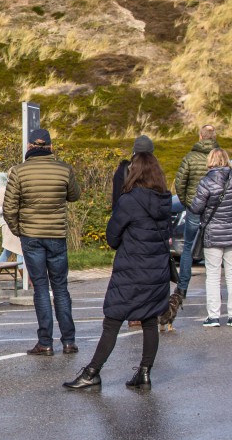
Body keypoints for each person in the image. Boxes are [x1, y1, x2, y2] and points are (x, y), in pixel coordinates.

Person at [64, 153, 171, 391]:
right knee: (150, 321)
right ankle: (144, 373)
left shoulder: (130, 200)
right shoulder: (164, 200)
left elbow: (112, 237)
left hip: (132, 269)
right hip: (157, 270)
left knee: (112, 321)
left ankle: (92, 372)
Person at [4, 128, 82, 356]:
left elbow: (9, 208)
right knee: (61, 287)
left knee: (40, 288)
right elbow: (74, 195)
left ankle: (45, 342)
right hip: (56, 235)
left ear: (29, 146)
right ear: (50, 147)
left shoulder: (18, 172)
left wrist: (19, 229)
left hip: (31, 236)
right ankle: (69, 341)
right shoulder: (64, 169)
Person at [188, 149, 232, 327]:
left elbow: (196, 208)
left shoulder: (206, 181)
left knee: (213, 275)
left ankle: (213, 316)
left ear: (211, 160)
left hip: (213, 233)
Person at [172, 125, 217, 305]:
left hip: (193, 208)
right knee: (213, 249)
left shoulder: (190, 158)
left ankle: (182, 287)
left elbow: (179, 182)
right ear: (214, 137)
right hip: (214, 210)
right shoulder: (218, 157)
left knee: (188, 249)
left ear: (200, 136)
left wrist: (186, 202)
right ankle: (214, 289)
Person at [0, 171, 23, 276]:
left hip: (19, 223)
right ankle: (26, 279)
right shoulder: (2, 190)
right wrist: (10, 209)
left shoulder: (20, 188)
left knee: (10, 250)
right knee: (18, 250)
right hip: (8, 223)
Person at [111, 135, 154, 209]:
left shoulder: (122, 172)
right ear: (152, 153)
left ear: (134, 152)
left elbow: (116, 203)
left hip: (125, 218)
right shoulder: (156, 174)